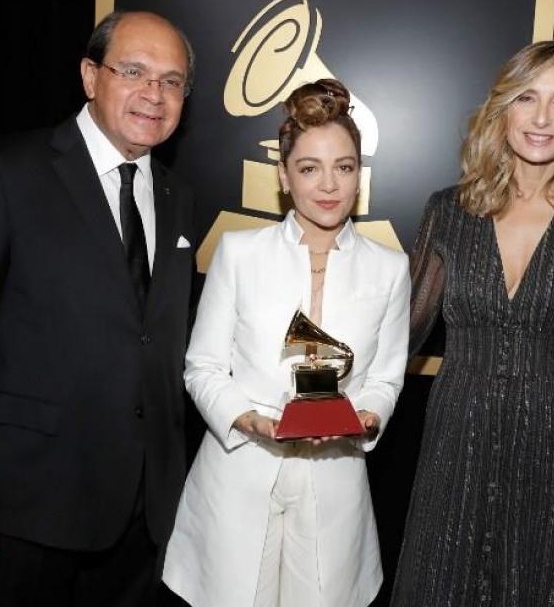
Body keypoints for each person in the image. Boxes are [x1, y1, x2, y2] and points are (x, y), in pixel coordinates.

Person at [0, 10, 196, 606]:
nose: (155, 94)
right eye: (135, 71)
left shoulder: (178, 195)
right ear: (90, 76)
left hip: (144, 509)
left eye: (172, 81)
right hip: (25, 503)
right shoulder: (4, 172)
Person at [390, 40, 554, 606]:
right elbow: (398, 333)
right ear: (502, 108)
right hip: (457, 438)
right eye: (527, 98)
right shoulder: (449, 212)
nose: (541, 118)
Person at [163, 79, 410, 607]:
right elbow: (202, 367)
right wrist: (246, 419)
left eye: (344, 167)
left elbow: (388, 378)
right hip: (239, 475)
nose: (329, 185)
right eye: (309, 168)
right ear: (283, 175)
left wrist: (367, 416)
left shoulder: (390, 268)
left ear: (359, 175)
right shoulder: (239, 253)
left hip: (336, 483)